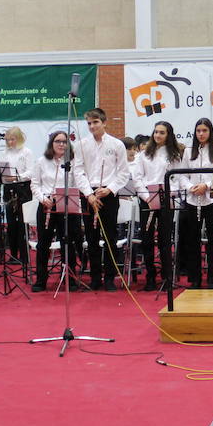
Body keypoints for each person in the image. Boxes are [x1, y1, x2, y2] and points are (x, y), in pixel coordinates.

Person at [28, 130, 88, 292]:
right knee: (43, 243)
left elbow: (79, 182)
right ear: (51, 144)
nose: (61, 144)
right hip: (47, 204)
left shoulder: (74, 161)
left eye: (64, 141)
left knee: (68, 242)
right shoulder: (41, 161)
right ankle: (41, 280)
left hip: (67, 204)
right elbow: (35, 184)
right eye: (58, 141)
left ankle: (70, 277)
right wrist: (43, 199)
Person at [77, 107, 130, 291]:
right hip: (88, 195)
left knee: (110, 238)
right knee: (91, 238)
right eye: (89, 123)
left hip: (108, 194)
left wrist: (109, 189)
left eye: (95, 122)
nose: (92, 126)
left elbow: (123, 173)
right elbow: (78, 171)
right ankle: (94, 278)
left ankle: (109, 278)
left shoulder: (116, 144)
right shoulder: (82, 145)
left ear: (104, 122)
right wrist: (89, 194)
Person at [132, 120, 185, 290]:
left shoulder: (174, 155)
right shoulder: (143, 154)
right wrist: (146, 196)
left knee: (164, 240)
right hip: (147, 199)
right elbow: (137, 178)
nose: (157, 135)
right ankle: (150, 277)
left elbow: (177, 178)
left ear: (168, 135)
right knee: (147, 240)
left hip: (166, 198)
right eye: (156, 132)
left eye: (162, 132)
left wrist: (172, 191)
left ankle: (167, 277)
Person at [180, 118, 213, 287]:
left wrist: (206, 186)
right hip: (192, 200)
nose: (201, 134)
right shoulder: (188, 151)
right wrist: (191, 187)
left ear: (210, 132)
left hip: (211, 199)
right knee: (193, 240)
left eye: (204, 130)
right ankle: (195, 278)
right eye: (198, 131)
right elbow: (182, 175)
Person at [1, 126, 33, 267]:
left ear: (18, 139)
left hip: (22, 189)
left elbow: (31, 172)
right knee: (11, 224)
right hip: (9, 189)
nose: (10, 142)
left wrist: (16, 177)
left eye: (12, 139)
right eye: (8, 140)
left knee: (22, 224)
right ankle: (13, 255)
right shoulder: (5, 153)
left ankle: (24, 256)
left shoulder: (27, 152)